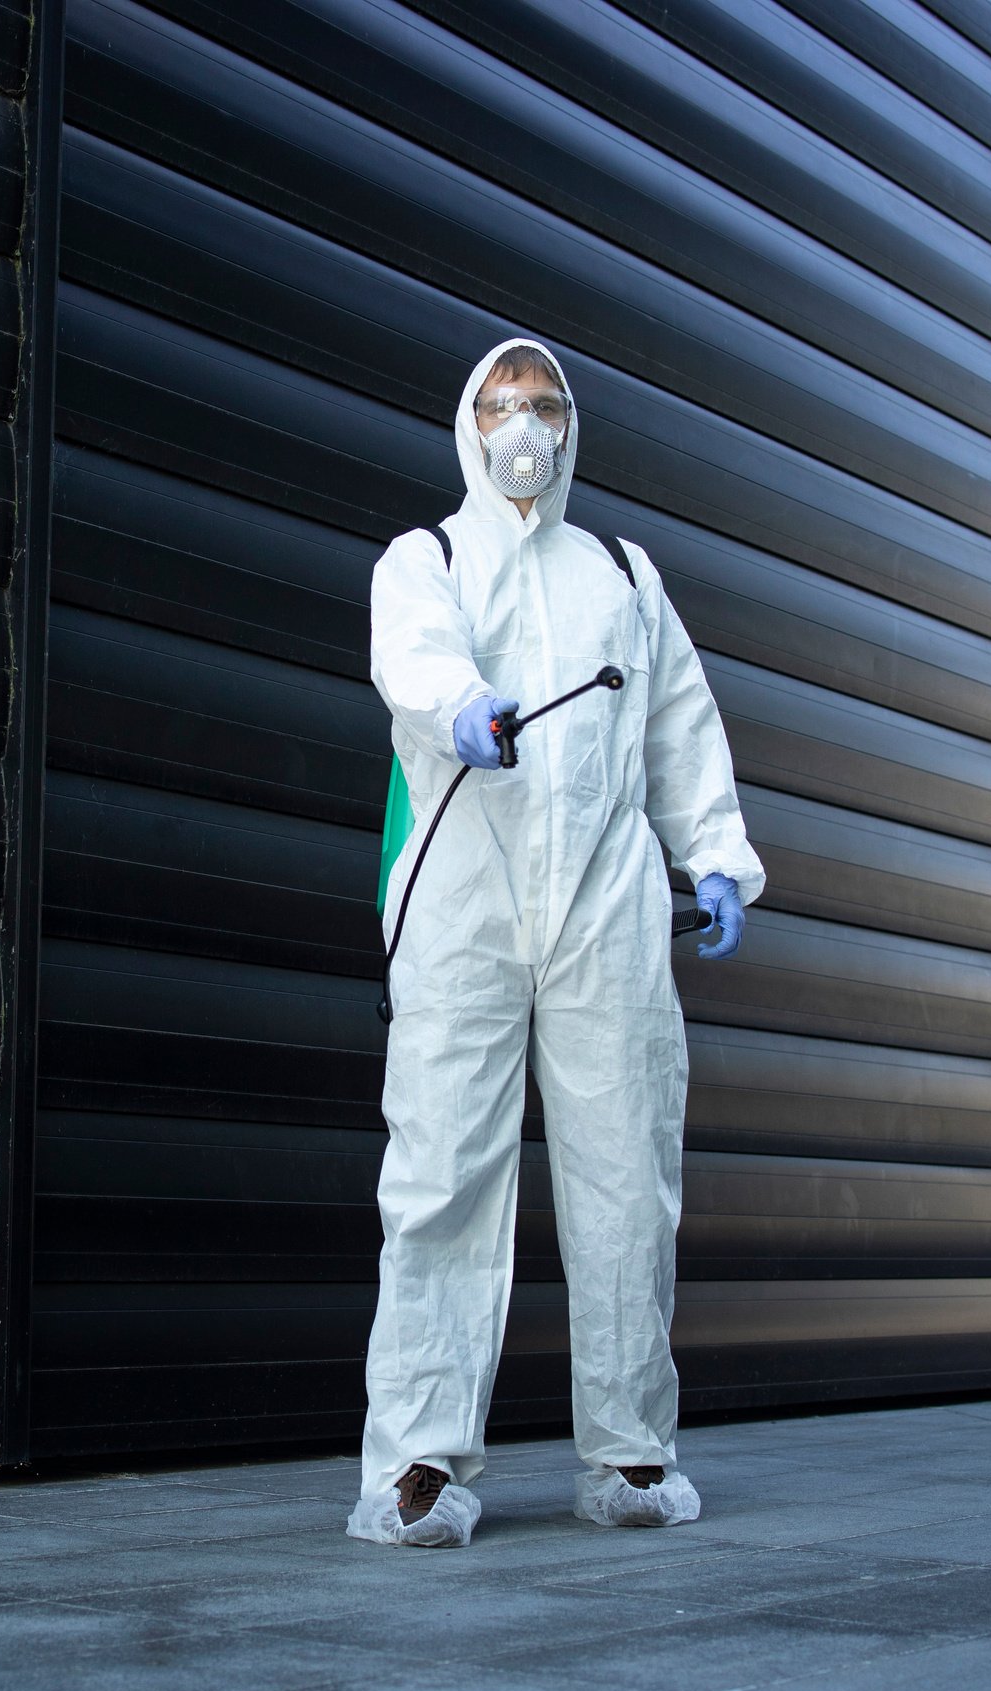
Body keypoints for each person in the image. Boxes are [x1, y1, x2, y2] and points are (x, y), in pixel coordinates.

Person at [351, 337, 765, 1548]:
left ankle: (630, 1453)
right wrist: (457, 705)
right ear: (466, 425)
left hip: (606, 906)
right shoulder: (424, 559)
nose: (524, 423)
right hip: (461, 904)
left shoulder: (624, 579)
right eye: (502, 402)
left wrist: (719, 855)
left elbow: (681, 727)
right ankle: (416, 1461)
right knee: (439, 1180)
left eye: (544, 404)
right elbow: (411, 658)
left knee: (626, 1174)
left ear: (571, 429)